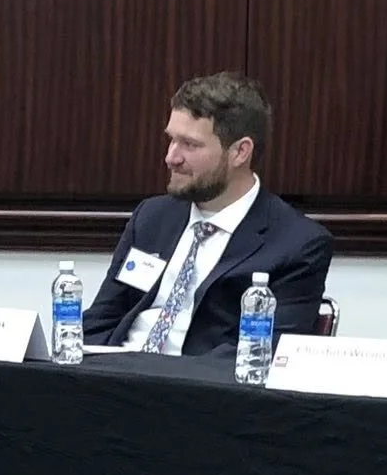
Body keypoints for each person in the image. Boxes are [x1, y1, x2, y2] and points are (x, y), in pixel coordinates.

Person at [83, 72, 332, 356]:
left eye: (189, 144)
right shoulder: (152, 217)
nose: (171, 157)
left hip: (200, 391)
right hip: (114, 378)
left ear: (240, 152)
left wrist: (156, 375)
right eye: (171, 140)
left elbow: (264, 355)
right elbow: (103, 317)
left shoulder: (298, 245)